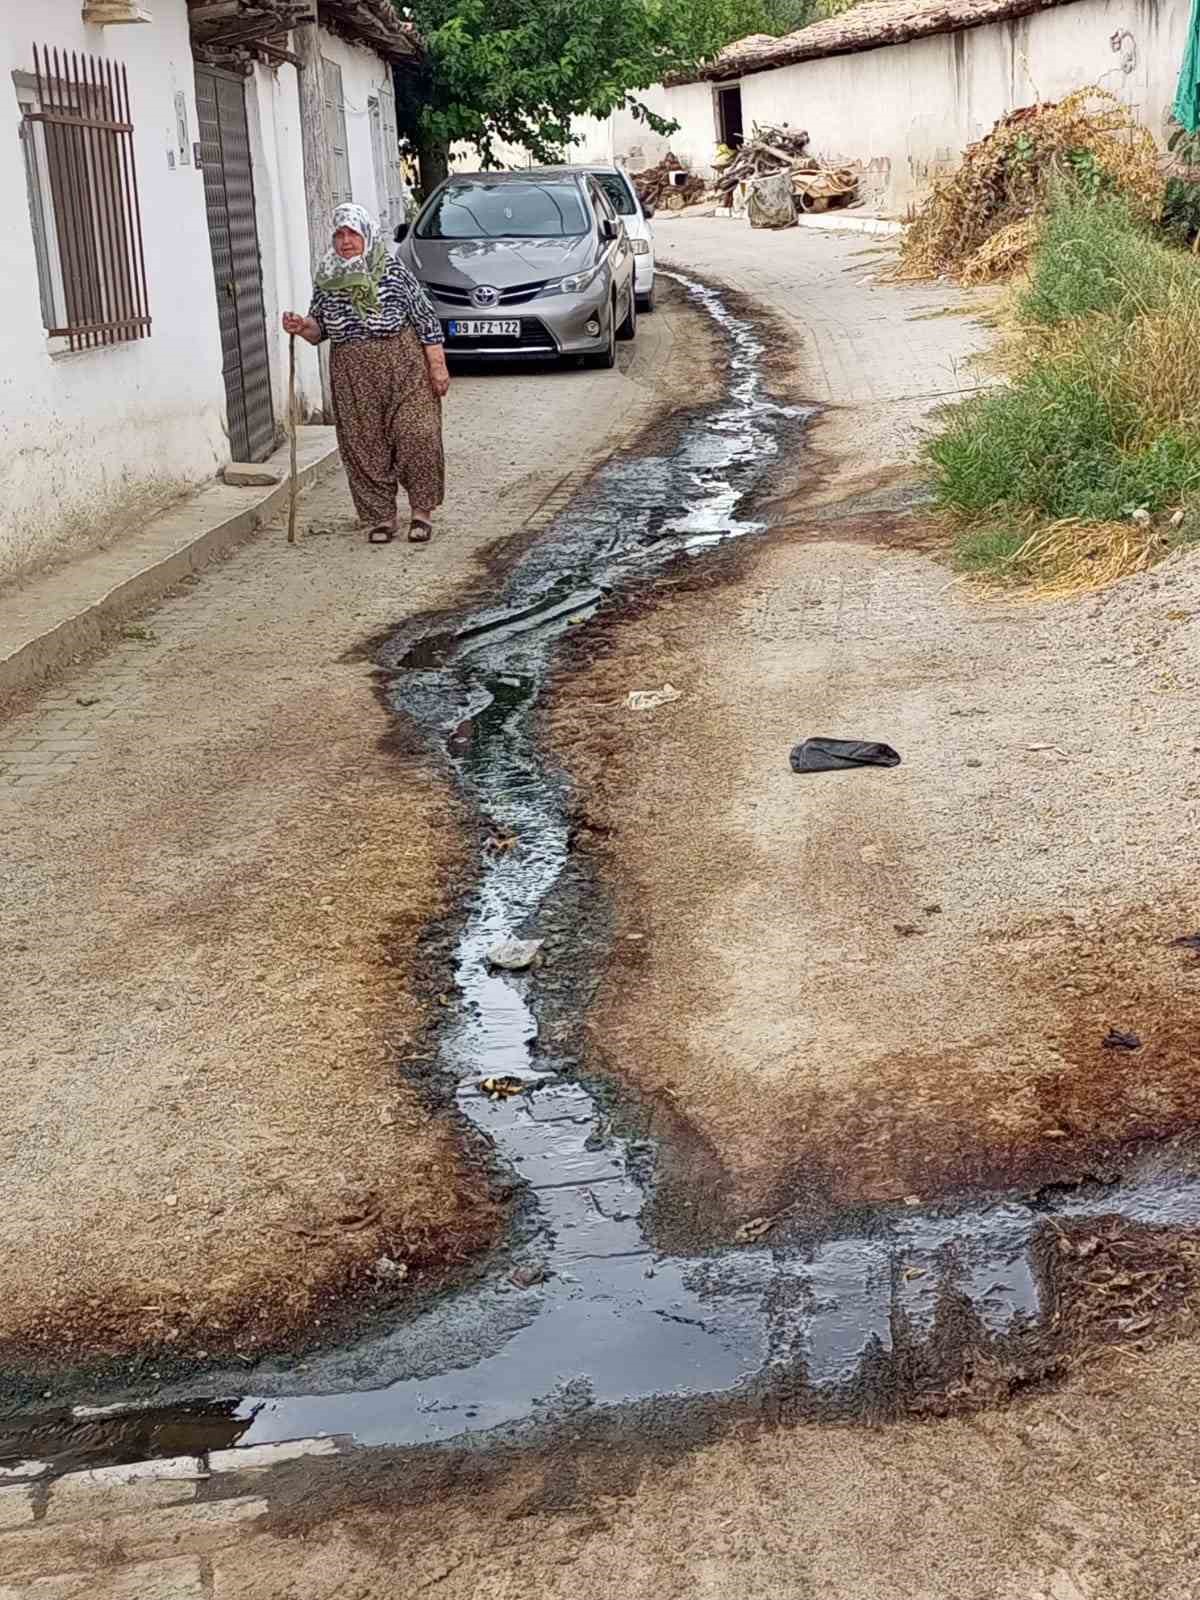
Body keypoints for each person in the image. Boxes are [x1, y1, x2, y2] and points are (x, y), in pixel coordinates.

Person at [283, 203, 450, 545]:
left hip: (403, 364)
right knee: (363, 444)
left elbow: (425, 317)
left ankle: (421, 512)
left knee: (418, 433)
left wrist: (437, 365)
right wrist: (302, 326)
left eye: (352, 233)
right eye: (339, 234)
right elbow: (321, 330)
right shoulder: (329, 277)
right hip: (351, 371)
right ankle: (381, 518)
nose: (345, 241)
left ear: (367, 235)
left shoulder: (391, 269)